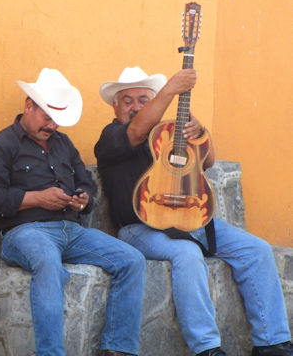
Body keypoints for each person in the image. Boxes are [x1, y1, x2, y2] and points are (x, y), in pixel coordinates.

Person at [94, 66, 292, 356]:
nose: (136, 107)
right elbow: (136, 132)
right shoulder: (111, 136)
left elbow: (207, 161)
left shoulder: (168, 135)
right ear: (115, 106)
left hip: (191, 220)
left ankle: (272, 342)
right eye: (128, 100)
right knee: (187, 253)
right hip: (140, 228)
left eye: (143, 100)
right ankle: (207, 348)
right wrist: (171, 88)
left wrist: (201, 132)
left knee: (256, 249)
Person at [0, 68, 146, 356]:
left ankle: (118, 349)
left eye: (57, 119)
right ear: (29, 106)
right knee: (48, 263)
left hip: (72, 231)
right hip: (25, 233)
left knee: (132, 260)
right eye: (47, 116)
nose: (52, 125)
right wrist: (37, 198)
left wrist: (83, 199)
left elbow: (86, 183)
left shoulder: (63, 143)